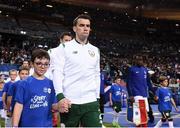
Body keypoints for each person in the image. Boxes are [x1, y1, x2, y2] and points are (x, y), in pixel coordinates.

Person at [52, 14, 102, 127]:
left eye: (88, 26)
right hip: (69, 102)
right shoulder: (64, 47)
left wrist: (97, 97)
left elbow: (96, 75)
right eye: (82, 25)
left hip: (90, 101)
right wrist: (60, 96)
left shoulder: (95, 50)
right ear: (75, 28)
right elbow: (57, 72)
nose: (85, 28)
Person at [12, 49, 57, 127]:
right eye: (39, 63)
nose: (42, 67)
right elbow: (19, 106)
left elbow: (53, 105)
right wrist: (15, 126)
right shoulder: (24, 84)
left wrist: (61, 106)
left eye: (46, 64)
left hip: (46, 125)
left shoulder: (51, 84)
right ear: (32, 64)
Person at [126, 55, 154, 127]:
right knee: (139, 112)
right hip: (136, 94)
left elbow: (148, 82)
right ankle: (143, 126)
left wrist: (153, 92)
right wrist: (130, 95)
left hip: (144, 94)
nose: (140, 61)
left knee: (145, 111)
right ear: (135, 61)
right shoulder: (131, 69)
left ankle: (142, 125)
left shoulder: (145, 70)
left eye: (141, 60)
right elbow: (128, 83)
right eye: (139, 60)